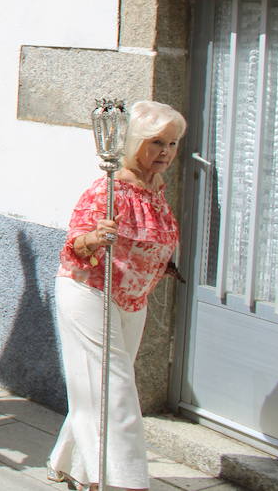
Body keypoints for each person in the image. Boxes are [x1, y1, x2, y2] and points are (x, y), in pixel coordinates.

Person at [47, 101, 186, 491]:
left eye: (173, 144)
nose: (166, 152)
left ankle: (68, 463)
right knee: (115, 390)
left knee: (98, 386)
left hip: (131, 299)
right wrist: (96, 236)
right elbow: (74, 244)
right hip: (88, 292)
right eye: (157, 142)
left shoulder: (156, 189)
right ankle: (121, 482)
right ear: (135, 142)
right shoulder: (109, 189)